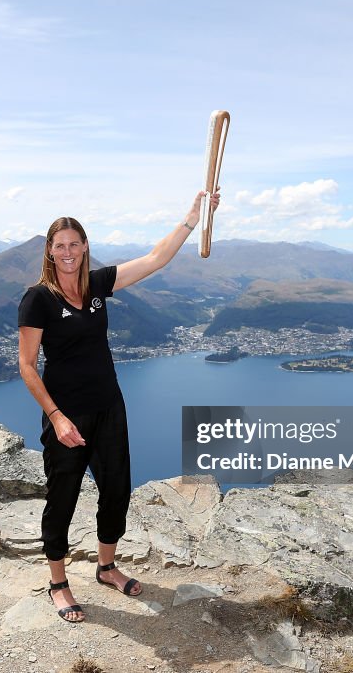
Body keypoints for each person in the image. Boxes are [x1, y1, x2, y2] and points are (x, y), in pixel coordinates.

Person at [17, 188, 221, 623]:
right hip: (67, 416)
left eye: (74, 244)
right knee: (63, 498)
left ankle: (106, 567)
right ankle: (58, 583)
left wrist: (193, 216)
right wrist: (56, 418)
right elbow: (27, 365)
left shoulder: (96, 285)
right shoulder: (38, 298)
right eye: (60, 246)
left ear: (85, 246)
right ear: (49, 252)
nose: (68, 252)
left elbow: (154, 259)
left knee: (116, 491)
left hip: (110, 406)